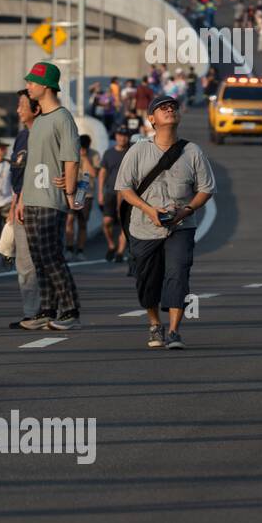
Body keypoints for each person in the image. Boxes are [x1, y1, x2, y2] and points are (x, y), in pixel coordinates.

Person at [115, 95, 217, 350]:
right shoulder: (138, 150)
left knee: (178, 273)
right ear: (151, 119)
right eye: (161, 108)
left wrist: (186, 211)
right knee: (147, 280)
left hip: (181, 226)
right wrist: (148, 210)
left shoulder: (192, 151)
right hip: (143, 226)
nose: (169, 109)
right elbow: (124, 189)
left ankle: (173, 331)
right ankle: (154, 323)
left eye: (172, 107)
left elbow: (206, 188)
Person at [18, 62, 83, 332]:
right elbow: (33, 163)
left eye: (33, 82)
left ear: (45, 86)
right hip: (31, 198)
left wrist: (69, 191)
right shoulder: (40, 121)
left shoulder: (62, 118)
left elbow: (71, 157)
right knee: (38, 258)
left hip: (50, 199)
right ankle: (47, 309)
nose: (29, 86)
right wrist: (21, 200)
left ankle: (69, 308)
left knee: (51, 255)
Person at [6, 91, 41, 327]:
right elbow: (18, 173)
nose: (18, 110)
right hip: (20, 204)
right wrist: (13, 204)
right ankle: (33, 312)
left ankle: (41, 312)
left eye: (22, 105)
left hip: (39, 204)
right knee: (25, 264)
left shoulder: (44, 136)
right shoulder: (21, 136)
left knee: (40, 262)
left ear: (35, 110)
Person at [97, 126, 132, 263]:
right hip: (110, 192)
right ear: (116, 136)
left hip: (127, 193)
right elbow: (102, 173)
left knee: (124, 223)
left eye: (125, 135)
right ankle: (111, 244)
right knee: (107, 222)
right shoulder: (108, 153)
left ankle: (120, 251)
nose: (122, 138)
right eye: (119, 135)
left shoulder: (131, 152)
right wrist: (100, 192)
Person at [66, 133, 99, 259]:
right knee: (69, 220)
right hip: (72, 192)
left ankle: (80, 250)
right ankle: (69, 248)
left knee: (82, 223)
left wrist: (85, 158)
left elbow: (94, 173)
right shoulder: (72, 152)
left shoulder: (94, 154)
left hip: (86, 194)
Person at [0, 141, 11, 237]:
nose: (5, 150)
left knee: (6, 229)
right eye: (2, 148)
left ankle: (3, 251)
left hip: (7, 202)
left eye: (5, 148)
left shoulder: (10, 164)